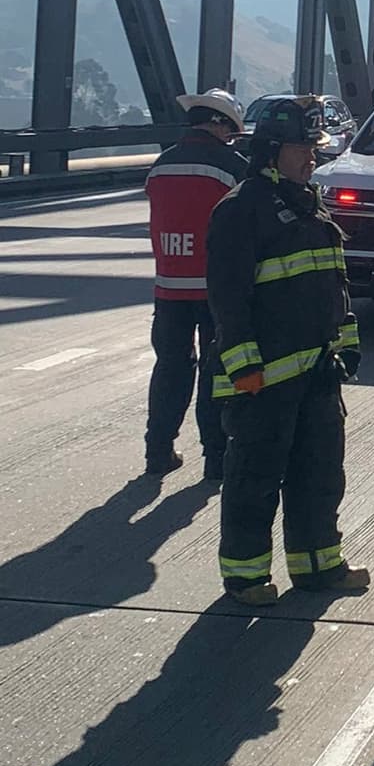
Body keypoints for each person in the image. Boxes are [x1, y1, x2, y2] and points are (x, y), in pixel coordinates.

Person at [206, 95, 368, 607]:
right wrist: (245, 366)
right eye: (303, 147)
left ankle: (319, 566)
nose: (312, 157)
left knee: (320, 475)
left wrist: (347, 342)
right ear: (272, 150)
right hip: (265, 379)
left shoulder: (307, 203)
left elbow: (331, 283)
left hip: (317, 370)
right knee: (254, 480)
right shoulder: (240, 212)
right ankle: (247, 577)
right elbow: (228, 300)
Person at [143, 89, 247, 480]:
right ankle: (216, 459)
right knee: (216, 373)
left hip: (168, 287)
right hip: (216, 288)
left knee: (170, 367)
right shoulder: (232, 167)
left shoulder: (161, 165)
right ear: (220, 125)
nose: (231, 140)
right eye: (231, 133)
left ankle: (158, 450)